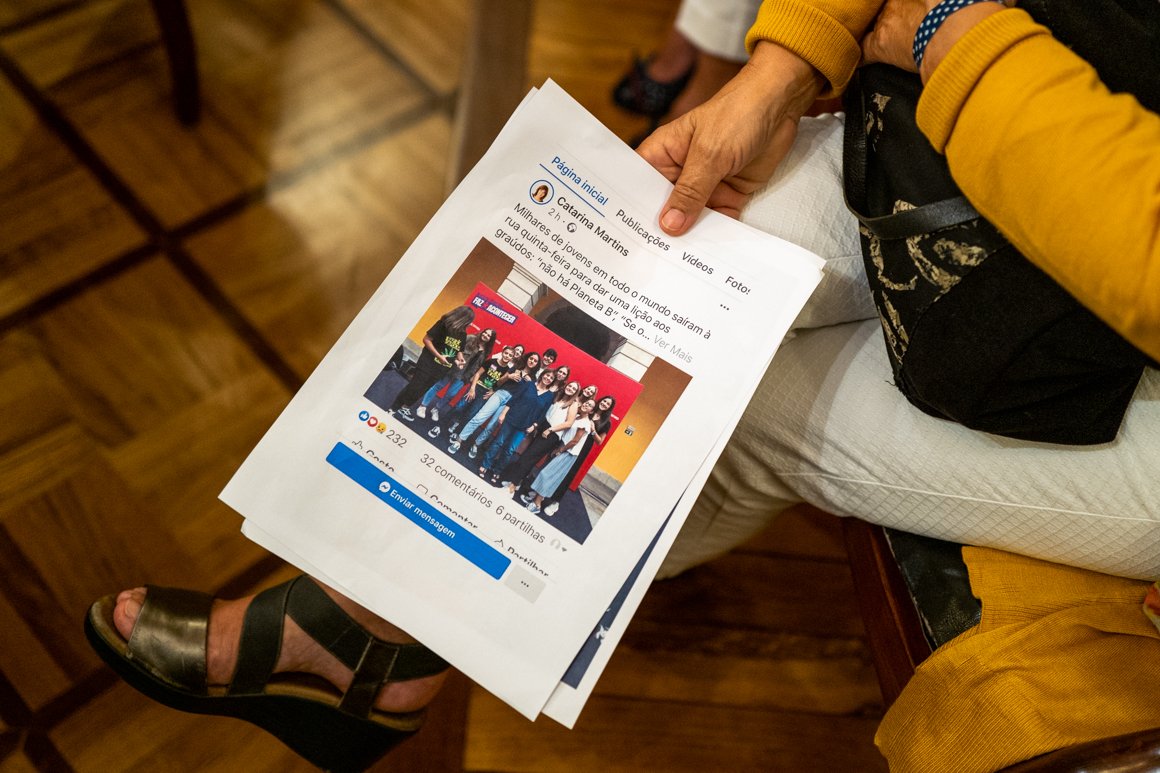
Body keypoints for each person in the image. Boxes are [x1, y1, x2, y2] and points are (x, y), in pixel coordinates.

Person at [86, 1, 1160, 769]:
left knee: (729, 411)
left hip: (1097, 223)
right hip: (990, 120)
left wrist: (955, 36)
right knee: (635, 267)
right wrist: (780, 70)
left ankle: (381, 633)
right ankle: (390, 625)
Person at [449, 350, 540, 457]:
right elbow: (499, 382)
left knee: (491, 426)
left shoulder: (533, 380)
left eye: (535, 361)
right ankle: (459, 440)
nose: (532, 361)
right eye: (531, 358)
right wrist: (508, 376)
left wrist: (529, 383)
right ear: (527, 358)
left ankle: (476, 444)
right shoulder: (516, 368)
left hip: (511, 402)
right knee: (479, 417)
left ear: (537, 364)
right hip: (501, 394)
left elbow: (526, 396)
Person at [391, 306, 475, 418]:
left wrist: (460, 359)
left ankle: (405, 407)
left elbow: (458, 350)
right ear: (463, 318)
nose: (470, 324)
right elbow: (426, 340)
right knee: (415, 386)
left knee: (423, 389)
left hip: (442, 368)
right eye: (469, 321)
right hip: (428, 361)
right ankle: (393, 409)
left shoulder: (463, 334)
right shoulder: (443, 324)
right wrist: (438, 356)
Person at [500, 380, 583, 494]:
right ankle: (515, 483)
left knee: (528, 458)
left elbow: (569, 423)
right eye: (570, 386)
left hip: (552, 433)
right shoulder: (558, 397)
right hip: (543, 427)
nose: (571, 389)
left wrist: (550, 430)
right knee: (527, 456)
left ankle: (511, 488)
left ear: (576, 393)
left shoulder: (573, 404)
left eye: (574, 389)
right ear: (566, 386)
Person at [477, 368, 558, 484]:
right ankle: (485, 464)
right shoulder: (529, 385)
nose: (548, 378)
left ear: (553, 381)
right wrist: (503, 413)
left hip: (525, 427)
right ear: (542, 375)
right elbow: (514, 399)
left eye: (551, 378)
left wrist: (534, 426)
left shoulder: (549, 396)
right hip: (511, 419)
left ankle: (497, 470)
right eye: (547, 375)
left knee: (509, 450)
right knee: (498, 442)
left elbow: (543, 414)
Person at [541, 394, 615, 517]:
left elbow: (599, 442)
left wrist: (593, 430)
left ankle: (555, 502)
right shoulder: (589, 411)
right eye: (604, 401)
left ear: (609, 408)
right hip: (569, 439)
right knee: (552, 464)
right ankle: (541, 493)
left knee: (568, 474)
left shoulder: (606, 423)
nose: (605, 404)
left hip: (582, 449)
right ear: (600, 401)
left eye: (608, 404)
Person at [521, 398, 596, 515]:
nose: (586, 405)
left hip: (568, 452)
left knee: (547, 475)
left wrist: (560, 450)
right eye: (586, 402)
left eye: (590, 405)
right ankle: (535, 498)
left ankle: (537, 504)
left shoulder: (585, 423)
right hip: (563, 447)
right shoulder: (577, 417)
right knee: (546, 473)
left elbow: (575, 441)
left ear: (591, 411)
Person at [412, 327, 495, 431]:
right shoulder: (470, 338)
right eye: (485, 333)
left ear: (491, 339)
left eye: (489, 336)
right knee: (438, 386)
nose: (485, 335)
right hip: (453, 368)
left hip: (464, 376)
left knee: (451, 394)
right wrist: (455, 361)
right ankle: (423, 406)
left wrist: (469, 377)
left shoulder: (486, 351)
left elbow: (478, 366)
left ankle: (436, 409)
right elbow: (456, 350)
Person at [432, 343, 516, 439]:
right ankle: (439, 426)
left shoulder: (508, 371)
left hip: (485, 395)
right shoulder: (491, 361)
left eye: (510, 355)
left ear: (512, 358)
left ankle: (457, 432)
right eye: (506, 353)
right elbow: (478, 374)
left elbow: (501, 384)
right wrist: (472, 388)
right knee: (459, 407)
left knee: (470, 414)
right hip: (476, 388)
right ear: (502, 352)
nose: (507, 356)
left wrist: (493, 391)